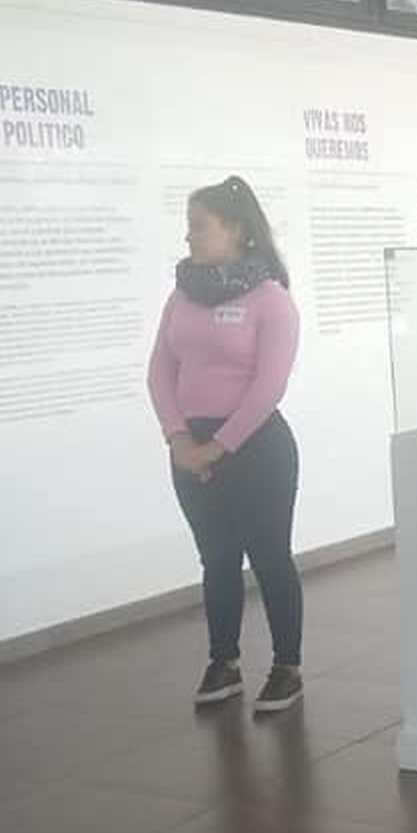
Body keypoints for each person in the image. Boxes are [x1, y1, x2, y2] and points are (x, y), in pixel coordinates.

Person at [147, 176, 305, 714]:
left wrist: (214, 448)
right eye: (188, 226)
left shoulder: (271, 300)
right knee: (216, 558)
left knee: (269, 556)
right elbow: (159, 372)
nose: (188, 236)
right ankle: (224, 662)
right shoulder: (181, 296)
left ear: (235, 230)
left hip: (255, 450)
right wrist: (178, 438)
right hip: (189, 447)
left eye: (199, 225)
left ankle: (287, 666)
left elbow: (268, 388)